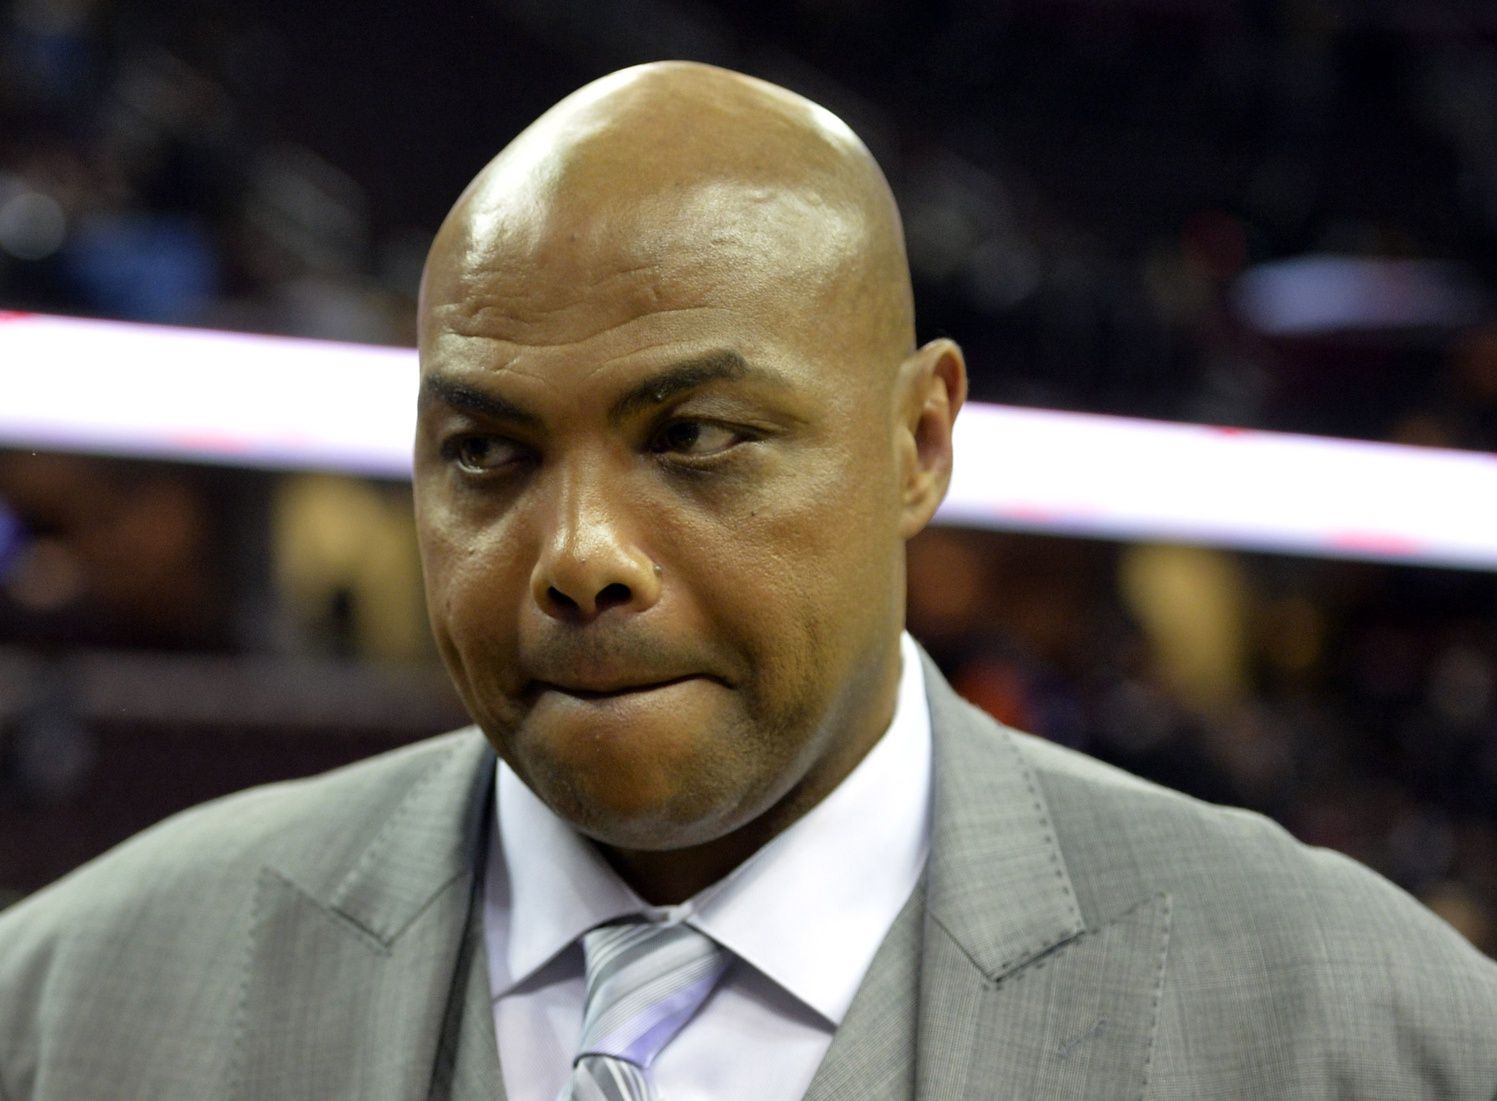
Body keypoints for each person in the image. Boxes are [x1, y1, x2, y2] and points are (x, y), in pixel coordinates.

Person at [2, 61, 1496, 1101]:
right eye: (488, 453)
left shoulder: (1368, 1027)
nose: (580, 551)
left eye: (696, 438)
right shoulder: (67, 1008)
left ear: (918, 442)